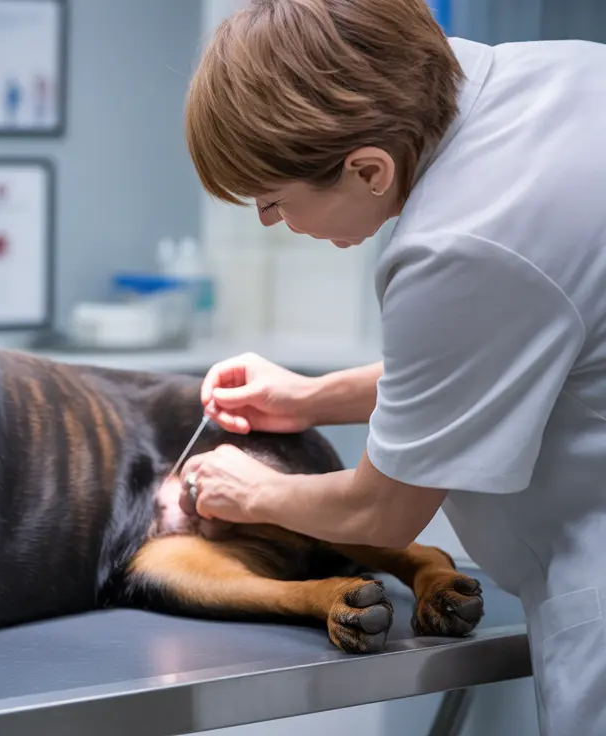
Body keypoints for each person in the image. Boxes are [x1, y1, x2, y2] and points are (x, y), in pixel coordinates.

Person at [177, 1, 606, 734]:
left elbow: (382, 512)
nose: (273, 222)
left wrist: (250, 492)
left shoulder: (460, 243)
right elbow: (500, 350)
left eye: (274, 203)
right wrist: (310, 398)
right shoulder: (554, 76)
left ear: (368, 170)